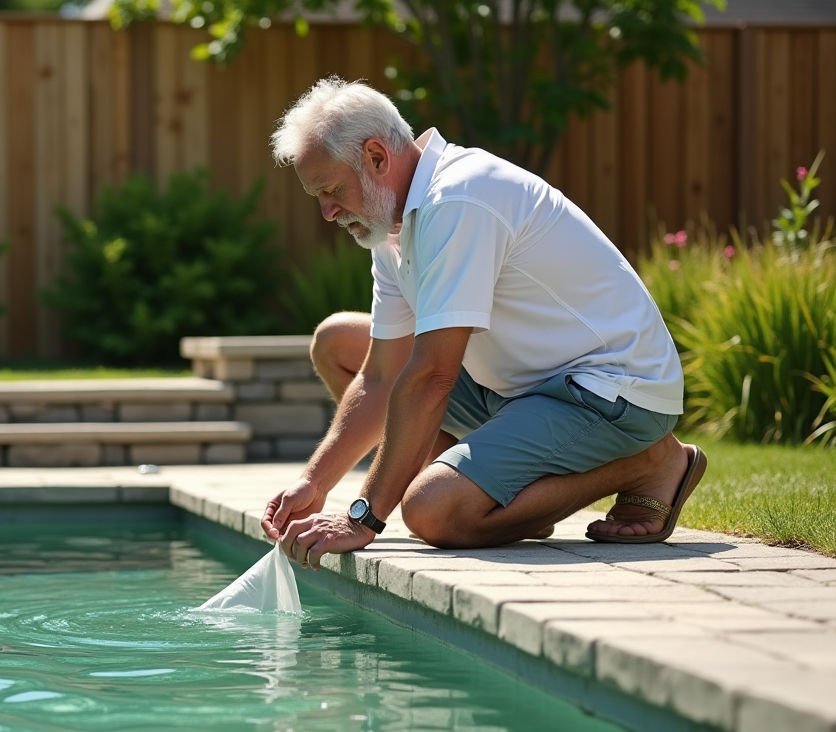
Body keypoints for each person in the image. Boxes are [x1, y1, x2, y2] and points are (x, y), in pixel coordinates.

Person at [261, 77, 707, 570]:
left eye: (331, 190)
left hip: (611, 392)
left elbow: (432, 376)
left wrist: (362, 518)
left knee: (432, 512)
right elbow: (382, 374)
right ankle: (505, 499)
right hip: (525, 388)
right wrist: (315, 482)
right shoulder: (390, 225)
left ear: (376, 157)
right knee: (338, 343)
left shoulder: (456, 199)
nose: (326, 212)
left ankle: (651, 461)